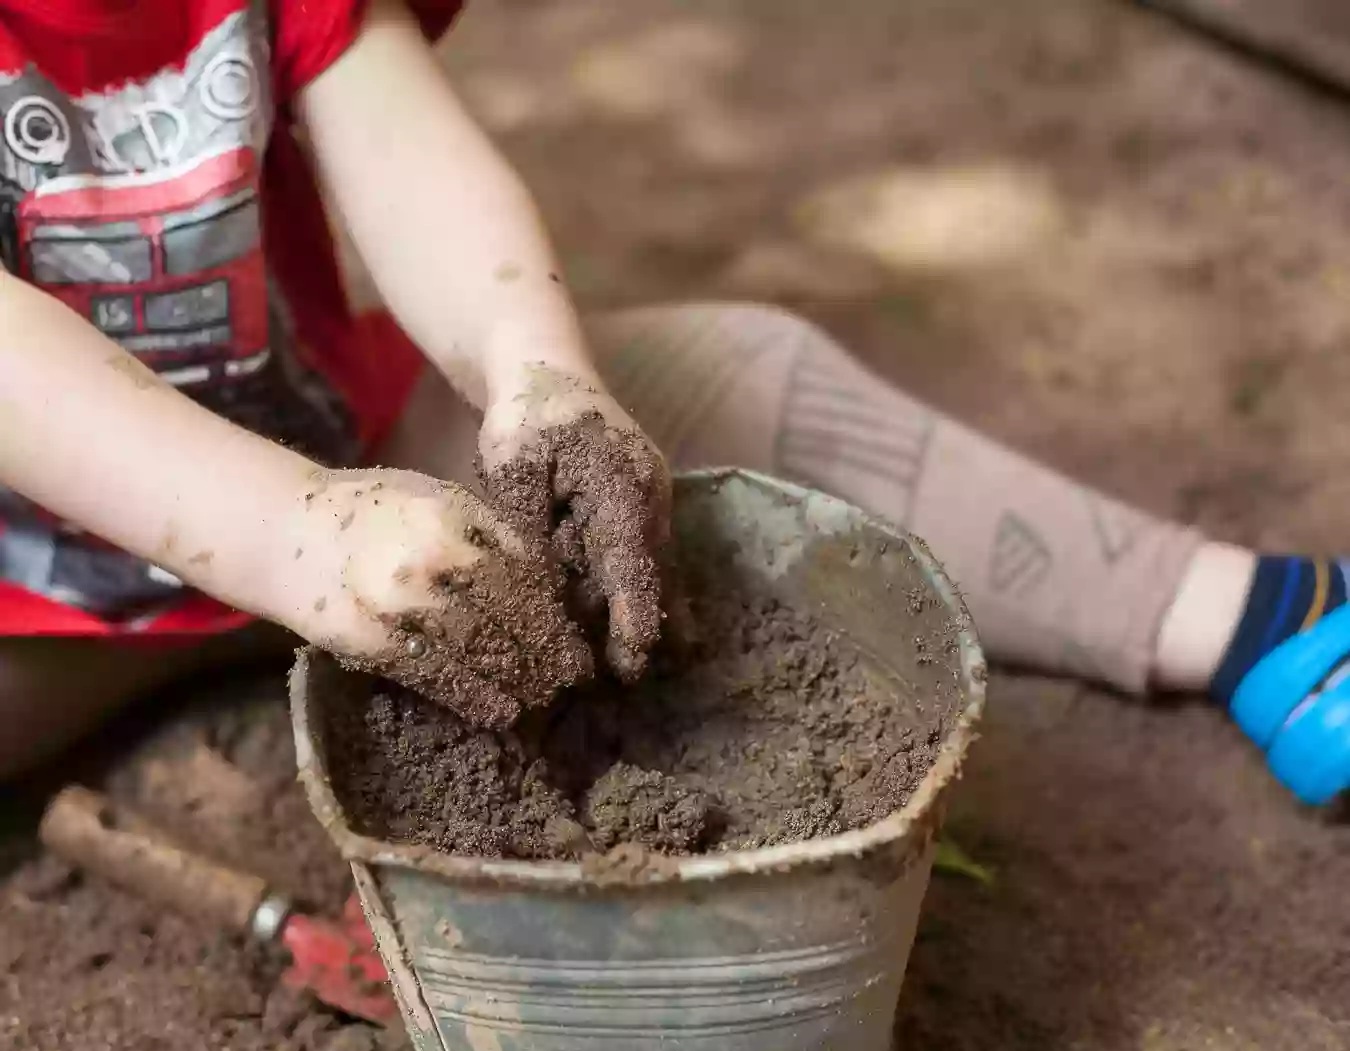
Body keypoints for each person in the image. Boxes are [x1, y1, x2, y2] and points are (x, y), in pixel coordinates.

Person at [0, 0, 1344, 807]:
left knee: (736, 377)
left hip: (341, 457)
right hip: (37, 591)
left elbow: (403, 154)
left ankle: (1248, 617)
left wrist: (540, 377)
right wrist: (290, 537)